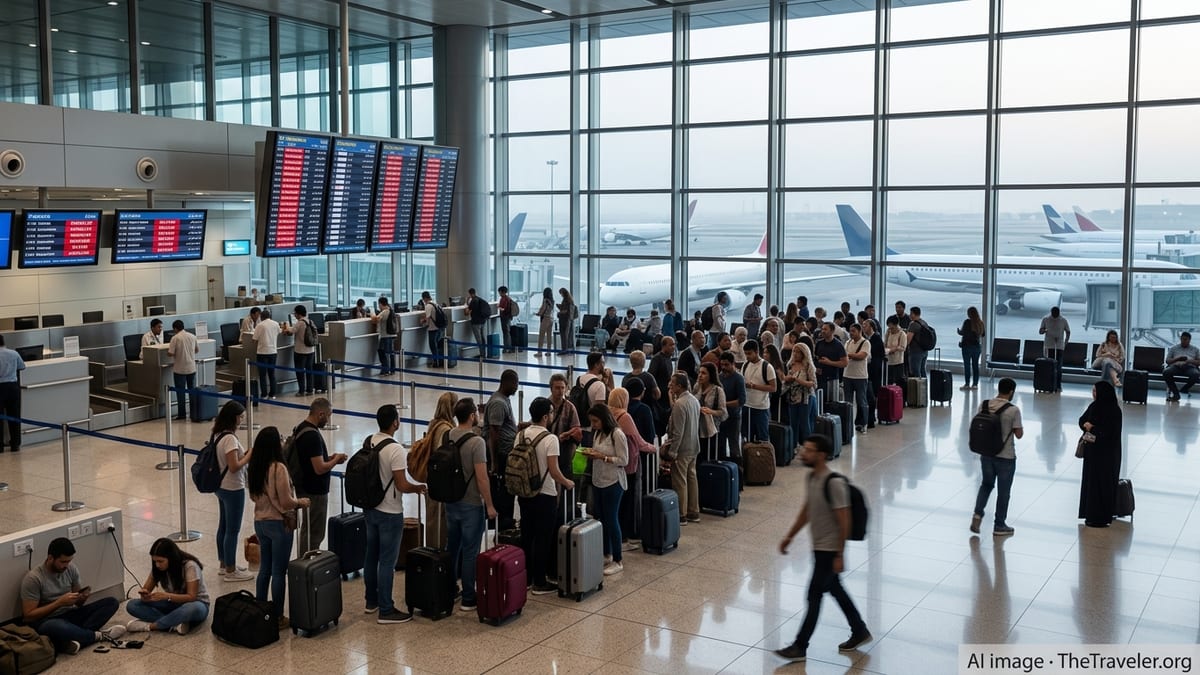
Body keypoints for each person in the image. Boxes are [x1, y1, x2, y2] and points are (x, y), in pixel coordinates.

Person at [774, 434, 871, 663]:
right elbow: (808, 510)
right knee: (835, 589)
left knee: (814, 595)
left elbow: (844, 520)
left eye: (808, 450)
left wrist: (839, 554)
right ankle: (859, 629)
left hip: (829, 550)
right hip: (819, 548)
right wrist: (790, 536)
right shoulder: (811, 478)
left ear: (821, 455)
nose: (802, 453)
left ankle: (800, 646)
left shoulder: (833, 483)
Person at [364, 404, 426, 622]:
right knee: (387, 561)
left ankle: (371, 601)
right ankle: (386, 609)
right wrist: (417, 487)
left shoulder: (370, 440)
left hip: (370, 507)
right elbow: (401, 484)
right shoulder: (396, 449)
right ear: (395, 423)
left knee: (371, 556)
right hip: (389, 511)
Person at [247, 426, 310, 629]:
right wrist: (301, 502)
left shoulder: (255, 467)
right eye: (280, 438)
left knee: (264, 569)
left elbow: (253, 496)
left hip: (260, 521)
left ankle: (260, 608)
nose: (283, 441)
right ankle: (277, 615)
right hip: (278, 523)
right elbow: (285, 501)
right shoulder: (278, 468)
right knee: (278, 571)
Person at [21, 537, 125, 654]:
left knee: (111, 602)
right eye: (63, 562)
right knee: (56, 626)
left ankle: (75, 639)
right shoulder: (34, 578)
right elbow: (29, 616)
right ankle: (99, 636)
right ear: (50, 558)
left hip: (70, 614)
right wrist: (59, 603)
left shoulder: (71, 569)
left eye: (69, 561)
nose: (66, 565)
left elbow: (78, 604)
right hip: (48, 620)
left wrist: (82, 598)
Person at [444, 398, 497, 613]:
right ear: (473, 415)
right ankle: (468, 596)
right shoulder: (477, 443)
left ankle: (449, 588)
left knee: (452, 547)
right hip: (471, 503)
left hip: (451, 501)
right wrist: (490, 505)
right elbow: (482, 478)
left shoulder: (448, 435)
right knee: (470, 551)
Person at [520, 397, 575, 594]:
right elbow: (553, 471)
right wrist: (567, 482)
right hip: (545, 494)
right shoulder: (550, 439)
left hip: (524, 492)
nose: (552, 416)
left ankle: (525, 578)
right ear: (545, 416)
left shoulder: (521, 434)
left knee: (527, 535)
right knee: (543, 538)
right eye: (551, 413)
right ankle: (540, 581)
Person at [292, 398, 348, 554]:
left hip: (304, 485)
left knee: (307, 529)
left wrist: (329, 458)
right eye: (328, 416)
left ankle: (305, 562)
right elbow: (319, 468)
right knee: (314, 533)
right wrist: (336, 460)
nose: (329, 420)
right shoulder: (312, 436)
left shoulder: (301, 428)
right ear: (320, 414)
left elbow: (311, 460)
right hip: (314, 491)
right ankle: (307, 564)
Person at [971, 378, 1024, 537]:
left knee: (986, 485)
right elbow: (1019, 434)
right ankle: (999, 525)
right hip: (1006, 457)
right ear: (1011, 392)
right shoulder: (1013, 410)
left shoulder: (984, 405)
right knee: (1004, 492)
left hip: (986, 454)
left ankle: (977, 514)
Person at [125, 538, 210, 635]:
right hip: (173, 603)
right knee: (132, 605)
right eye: (155, 561)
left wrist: (167, 596)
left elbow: (192, 597)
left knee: (192, 608)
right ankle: (174, 623)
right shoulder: (158, 568)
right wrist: (145, 596)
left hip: (196, 604)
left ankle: (151, 626)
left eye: (161, 561)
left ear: (171, 558)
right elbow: (146, 590)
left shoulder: (190, 566)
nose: (157, 565)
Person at [582, 403, 628, 576]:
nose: (593, 425)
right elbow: (598, 451)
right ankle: (606, 553)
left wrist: (603, 457)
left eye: (595, 421)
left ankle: (618, 559)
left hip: (613, 481)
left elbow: (623, 460)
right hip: (598, 479)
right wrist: (591, 453)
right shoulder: (599, 433)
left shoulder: (617, 434)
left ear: (604, 419)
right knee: (601, 517)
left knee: (611, 519)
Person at [211, 401, 255, 580]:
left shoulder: (217, 434)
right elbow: (234, 466)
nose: (242, 420)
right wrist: (248, 456)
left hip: (221, 486)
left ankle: (224, 563)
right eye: (241, 416)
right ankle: (230, 570)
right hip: (233, 487)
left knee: (223, 525)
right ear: (234, 417)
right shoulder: (229, 438)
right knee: (232, 529)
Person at [1078, 381, 1122, 528]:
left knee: (1103, 485)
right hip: (1093, 453)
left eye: (1096, 391)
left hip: (1107, 455)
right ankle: (1090, 515)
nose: (1093, 394)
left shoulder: (1114, 411)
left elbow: (1110, 433)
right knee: (1091, 484)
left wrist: (1093, 428)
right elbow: (1082, 420)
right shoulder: (1094, 406)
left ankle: (1102, 517)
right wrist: (1086, 425)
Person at [485, 369, 520, 531]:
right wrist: (495, 462)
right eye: (515, 384)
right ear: (506, 382)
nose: (516, 387)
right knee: (503, 493)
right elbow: (494, 433)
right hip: (501, 455)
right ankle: (502, 526)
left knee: (508, 492)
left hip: (505, 452)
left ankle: (506, 522)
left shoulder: (503, 399)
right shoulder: (498, 403)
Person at [667, 371, 701, 524]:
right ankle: (694, 511)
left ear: (679, 386)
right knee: (692, 478)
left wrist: (672, 451)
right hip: (694, 445)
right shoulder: (694, 400)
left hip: (682, 448)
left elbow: (677, 431)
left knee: (680, 481)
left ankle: (682, 513)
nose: (670, 386)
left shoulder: (680, 405)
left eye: (672, 384)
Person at [547, 373, 583, 480]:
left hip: (564, 453)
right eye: (557, 388)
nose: (560, 391)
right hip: (547, 450)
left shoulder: (570, 407)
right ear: (551, 389)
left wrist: (568, 434)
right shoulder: (544, 405)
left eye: (563, 388)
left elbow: (577, 429)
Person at [741, 340, 776, 444]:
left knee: (763, 438)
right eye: (745, 354)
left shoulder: (767, 367)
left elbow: (773, 388)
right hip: (747, 405)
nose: (747, 356)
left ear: (757, 352)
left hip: (761, 407)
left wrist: (753, 386)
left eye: (749, 353)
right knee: (747, 437)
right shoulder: (745, 364)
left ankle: (763, 459)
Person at [784, 343, 817, 449]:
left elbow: (813, 384)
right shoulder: (790, 365)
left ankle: (809, 447)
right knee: (793, 422)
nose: (795, 354)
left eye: (798, 352)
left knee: (804, 423)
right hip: (793, 397)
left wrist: (798, 380)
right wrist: (786, 379)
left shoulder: (808, 366)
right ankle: (793, 446)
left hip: (806, 397)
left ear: (804, 353)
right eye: (794, 351)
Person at [693, 362, 727, 462]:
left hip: (711, 429)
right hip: (696, 427)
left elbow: (723, 412)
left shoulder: (718, 390)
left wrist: (711, 411)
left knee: (709, 454)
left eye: (703, 373)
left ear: (710, 375)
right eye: (699, 372)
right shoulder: (696, 387)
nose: (700, 375)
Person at [716, 353, 746, 463]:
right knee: (720, 447)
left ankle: (738, 472)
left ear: (733, 364)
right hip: (721, 418)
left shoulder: (739, 379)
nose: (723, 367)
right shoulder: (719, 377)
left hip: (734, 417)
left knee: (734, 447)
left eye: (726, 365)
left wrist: (724, 404)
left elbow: (741, 401)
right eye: (722, 365)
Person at [168, 320, 199, 421]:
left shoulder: (175, 338)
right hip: (191, 368)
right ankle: (194, 413)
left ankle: (182, 415)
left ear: (175, 328)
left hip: (180, 369)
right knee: (192, 392)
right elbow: (197, 350)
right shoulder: (192, 336)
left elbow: (171, 353)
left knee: (180, 393)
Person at [843, 324, 872, 433]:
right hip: (847, 375)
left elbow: (862, 356)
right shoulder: (848, 342)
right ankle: (848, 423)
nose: (851, 333)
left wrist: (848, 355)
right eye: (850, 331)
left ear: (859, 331)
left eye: (853, 331)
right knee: (848, 401)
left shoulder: (866, 343)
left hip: (860, 376)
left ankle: (863, 423)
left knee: (861, 401)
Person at [0, 335, 25, 452]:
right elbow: (22, 366)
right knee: (14, 416)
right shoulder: (14, 353)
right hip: (13, 387)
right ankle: (15, 444)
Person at [1038, 306, 1070, 392]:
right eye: (1054, 314)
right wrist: (1044, 331)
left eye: (1057, 314)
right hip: (1049, 345)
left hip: (1059, 345)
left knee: (1059, 366)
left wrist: (1066, 342)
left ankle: (1058, 385)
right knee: (1049, 365)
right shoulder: (1046, 319)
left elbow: (1068, 331)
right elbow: (1040, 331)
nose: (1055, 316)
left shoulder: (1063, 320)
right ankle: (1049, 384)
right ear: (1051, 313)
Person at [648, 337, 676, 436]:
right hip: (659, 400)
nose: (673, 347)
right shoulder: (657, 359)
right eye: (671, 345)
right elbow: (651, 377)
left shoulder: (668, 358)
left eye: (674, 345)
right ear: (663, 346)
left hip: (666, 397)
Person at [813, 323, 848, 400]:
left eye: (825, 329)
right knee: (820, 403)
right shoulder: (819, 343)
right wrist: (816, 367)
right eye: (822, 329)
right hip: (819, 379)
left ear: (832, 331)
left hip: (832, 379)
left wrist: (829, 362)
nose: (823, 331)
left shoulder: (838, 345)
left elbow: (845, 363)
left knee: (831, 404)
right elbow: (815, 358)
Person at [252, 308, 281, 399]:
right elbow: (279, 332)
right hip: (273, 352)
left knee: (263, 375)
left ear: (261, 317)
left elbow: (254, 339)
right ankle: (273, 394)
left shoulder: (260, 325)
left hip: (262, 352)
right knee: (272, 374)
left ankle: (264, 394)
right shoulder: (276, 324)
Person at [1163, 331, 1200, 401]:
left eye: (1185, 339)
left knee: (1196, 374)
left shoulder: (1195, 349)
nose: (1183, 341)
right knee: (1166, 372)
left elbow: (1199, 362)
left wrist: (1188, 361)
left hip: (1190, 367)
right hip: (1176, 366)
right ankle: (1176, 394)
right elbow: (1167, 361)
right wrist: (1178, 358)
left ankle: (1184, 389)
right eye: (1182, 339)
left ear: (1189, 340)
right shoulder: (1174, 348)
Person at [292, 305, 317, 396]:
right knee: (309, 370)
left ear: (298, 314)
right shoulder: (310, 321)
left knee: (300, 371)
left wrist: (286, 328)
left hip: (300, 351)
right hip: (311, 350)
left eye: (295, 313)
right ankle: (310, 389)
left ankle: (301, 390)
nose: (294, 315)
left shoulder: (300, 323)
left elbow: (291, 332)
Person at [958, 307, 984, 391]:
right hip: (977, 347)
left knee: (967, 366)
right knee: (975, 366)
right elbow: (983, 334)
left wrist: (958, 331)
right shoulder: (980, 323)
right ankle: (975, 384)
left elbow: (963, 333)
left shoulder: (967, 322)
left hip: (967, 347)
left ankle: (967, 384)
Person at [420, 291, 445, 368]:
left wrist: (423, 322)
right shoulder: (435, 303)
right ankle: (439, 361)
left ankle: (435, 362)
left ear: (424, 298)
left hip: (432, 328)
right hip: (440, 327)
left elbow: (427, 319)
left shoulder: (428, 306)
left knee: (432, 346)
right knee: (436, 345)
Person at [906, 307, 932, 379]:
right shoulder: (924, 323)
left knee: (915, 372)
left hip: (915, 352)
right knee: (922, 370)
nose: (909, 315)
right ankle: (924, 388)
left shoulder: (913, 324)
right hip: (924, 351)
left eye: (911, 313)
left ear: (914, 314)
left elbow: (908, 340)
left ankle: (917, 389)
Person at [375, 297, 397, 376]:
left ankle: (385, 370)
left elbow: (376, 319)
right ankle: (392, 369)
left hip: (385, 335)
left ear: (380, 304)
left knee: (383, 352)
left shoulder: (385, 312)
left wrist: (371, 314)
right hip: (391, 334)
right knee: (390, 352)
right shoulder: (391, 310)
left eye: (379, 304)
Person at [883, 315, 908, 387]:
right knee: (888, 380)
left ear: (896, 325)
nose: (891, 329)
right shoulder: (888, 332)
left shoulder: (902, 334)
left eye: (892, 328)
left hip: (898, 361)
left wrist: (894, 349)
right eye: (889, 327)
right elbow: (885, 343)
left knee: (899, 381)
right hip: (888, 360)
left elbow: (903, 347)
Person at [534, 287, 555, 357]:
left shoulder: (545, 300)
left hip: (545, 318)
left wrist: (539, 313)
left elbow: (543, 308)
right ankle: (549, 351)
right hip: (551, 319)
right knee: (549, 336)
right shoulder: (552, 301)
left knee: (541, 335)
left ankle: (539, 352)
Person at [497, 286, 516, 353]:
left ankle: (506, 348)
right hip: (508, 317)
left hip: (505, 317)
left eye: (499, 292)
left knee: (506, 333)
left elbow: (503, 309)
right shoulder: (508, 298)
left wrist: (498, 307)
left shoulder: (504, 299)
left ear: (502, 292)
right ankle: (508, 347)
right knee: (507, 332)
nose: (499, 293)